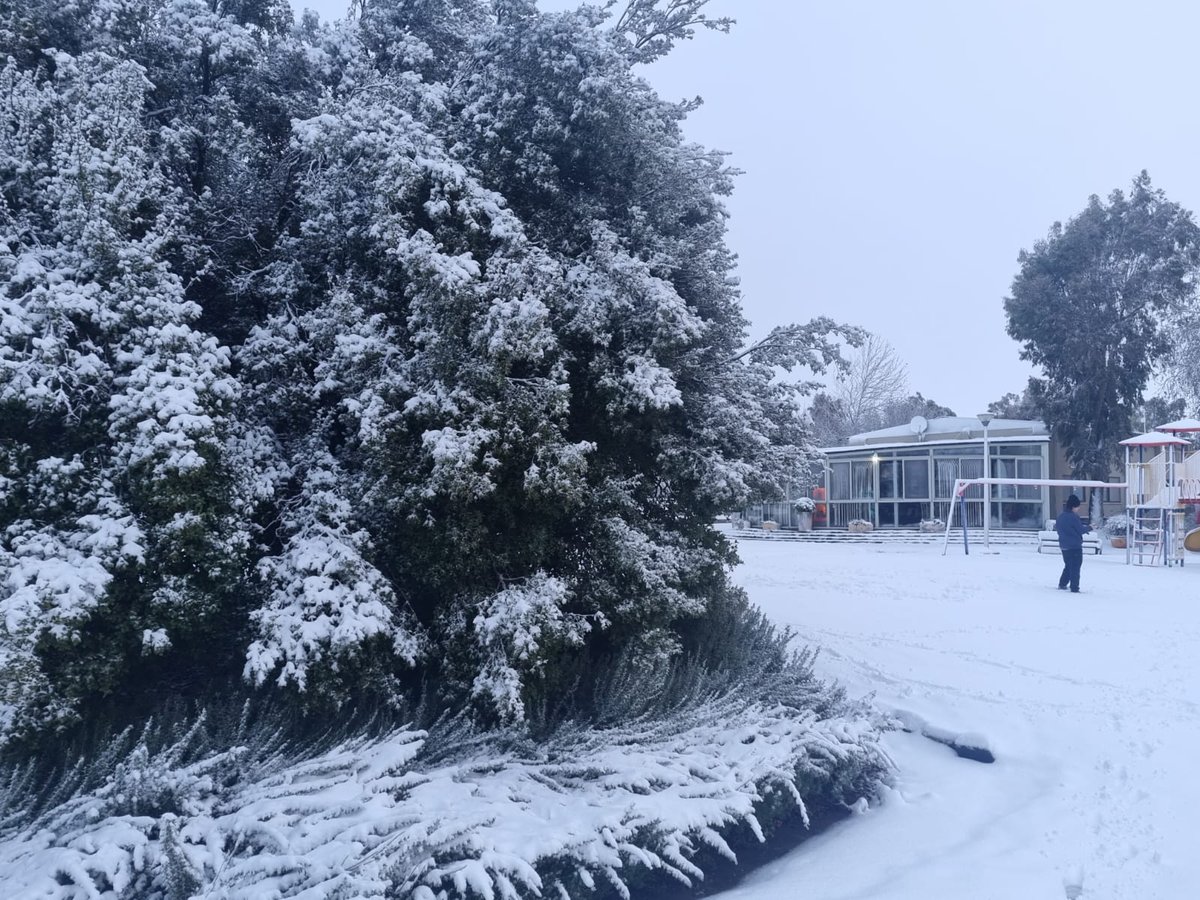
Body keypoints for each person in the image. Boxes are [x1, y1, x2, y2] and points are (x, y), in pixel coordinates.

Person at [1054, 494, 1092, 593]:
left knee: (1068, 566)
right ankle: (1074, 587)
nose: (1078, 508)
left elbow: (1058, 528)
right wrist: (1090, 527)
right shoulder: (1073, 517)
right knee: (1075, 567)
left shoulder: (1060, 517)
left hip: (1064, 546)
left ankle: (1062, 584)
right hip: (1074, 546)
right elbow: (1080, 529)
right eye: (1077, 506)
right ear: (1073, 506)